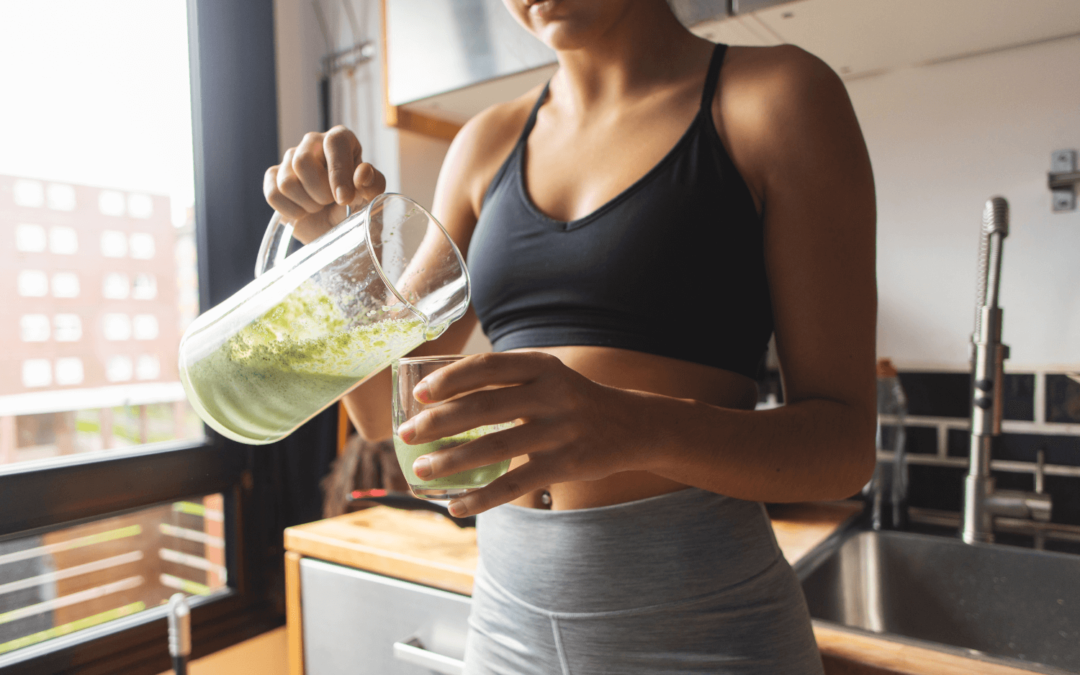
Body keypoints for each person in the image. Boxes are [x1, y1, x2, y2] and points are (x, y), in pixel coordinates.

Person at [265, 1, 876, 672]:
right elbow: (384, 413)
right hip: (506, 629)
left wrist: (635, 426)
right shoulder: (482, 145)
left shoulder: (778, 98)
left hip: (707, 636)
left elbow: (844, 449)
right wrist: (335, 252)